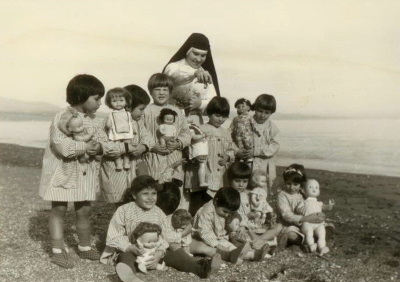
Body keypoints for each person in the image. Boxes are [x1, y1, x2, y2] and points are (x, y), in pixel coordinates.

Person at [38, 74, 105, 268]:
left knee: (84, 210)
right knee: (59, 209)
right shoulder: (63, 116)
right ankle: (58, 250)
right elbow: (61, 146)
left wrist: (99, 147)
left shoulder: (95, 120)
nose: (100, 103)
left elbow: (101, 140)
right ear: (81, 96)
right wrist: (85, 148)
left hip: (85, 173)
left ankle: (84, 246)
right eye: (96, 98)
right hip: (63, 173)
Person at [101, 175, 168, 282]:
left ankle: (196, 266)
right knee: (125, 258)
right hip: (133, 249)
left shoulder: (159, 213)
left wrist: (160, 252)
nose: (150, 198)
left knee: (174, 253)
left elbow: (166, 236)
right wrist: (129, 247)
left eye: (154, 193)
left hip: (154, 250)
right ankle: (130, 277)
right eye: (145, 194)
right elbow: (114, 235)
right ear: (134, 195)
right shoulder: (124, 210)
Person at [100, 85, 155, 204]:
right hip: (116, 172)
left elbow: (149, 139)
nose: (143, 113)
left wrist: (143, 147)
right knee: (120, 203)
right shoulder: (108, 121)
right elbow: (104, 146)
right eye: (141, 109)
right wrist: (125, 148)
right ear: (128, 106)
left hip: (135, 170)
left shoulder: (138, 122)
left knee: (136, 202)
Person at [156, 181, 222, 279]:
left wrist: (186, 233)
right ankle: (201, 267)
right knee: (179, 254)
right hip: (165, 245)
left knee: (200, 245)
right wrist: (183, 233)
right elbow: (166, 237)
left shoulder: (172, 214)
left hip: (179, 241)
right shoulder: (159, 216)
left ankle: (228, 255)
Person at [143, 73, 191, 208]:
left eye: (165, 89)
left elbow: (186, 133)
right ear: (151, 91)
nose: (162, 93)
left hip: (174, 158)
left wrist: (179, 142)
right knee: (155, 192)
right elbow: (141, 133)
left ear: (170, 92)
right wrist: (152, 146)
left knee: (174, 195)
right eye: (158, 89)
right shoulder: (145, 111)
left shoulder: (176, 111)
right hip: (153, 159)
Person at [185, 96, 235, 215]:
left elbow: (231, 149)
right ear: (209, 113)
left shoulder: (226, 133)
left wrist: (228, 157)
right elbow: (190, 147)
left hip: (218, 175)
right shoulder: (201, 129)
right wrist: (195, 156)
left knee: (214, 205)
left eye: (223, 116)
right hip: (201, 172)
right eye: (217, 115)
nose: (220, 119)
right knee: (198, 204)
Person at [163, 33, 220, 125]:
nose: (198, 59)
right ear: (187, 51)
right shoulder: (174, 66)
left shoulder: (205, 74)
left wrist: (201, 104)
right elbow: (173, 76)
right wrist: (194, 73)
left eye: (203, 55)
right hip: (170, 118)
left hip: (195, 121)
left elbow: (214, 99)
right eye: (196, 54)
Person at [227, 162, 282, 250]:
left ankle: (260, 241)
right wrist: (246, 217)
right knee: (236, 236)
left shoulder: (250, 194)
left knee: (279, 226)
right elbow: (231, 216)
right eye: (237, 181)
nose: (241, 185)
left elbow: (262, 204)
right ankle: (264, 244)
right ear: (230, 180)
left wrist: (269, 213)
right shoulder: (229, 196)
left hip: (256, 225)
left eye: (244, 181)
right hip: (242, 228)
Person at [235, 94, 280, 192]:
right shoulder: (245, 122)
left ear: (271, 113)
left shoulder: (272, 127)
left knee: (262, 191)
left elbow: (275, 145)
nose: (262, 115)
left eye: (267, 112)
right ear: (254, 108)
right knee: (245, 189)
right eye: (260, 111)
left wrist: (256, 151)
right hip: (248, 163)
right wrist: (237, 151)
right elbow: (233, 138)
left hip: (265, 165)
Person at [276, 164, 326, 250]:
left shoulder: (303, 194)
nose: (291, 187)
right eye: (288, 184)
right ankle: (304, 241)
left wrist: (318, 215)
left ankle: (313, 238)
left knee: (322, 227)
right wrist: (306, 218)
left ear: (301, 185)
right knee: (292, 234)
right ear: (285, 182)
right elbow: (286, 216)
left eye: (295, 184)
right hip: (288, 224)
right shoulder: (282, 195)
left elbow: (311, 206)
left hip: (305, 224)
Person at [295, 179, 335, 254]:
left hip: (318, 223)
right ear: (303, 191)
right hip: (307, 223)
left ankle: (322, 247)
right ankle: (311, 246)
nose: (314, 189)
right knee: (309, 233)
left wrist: (330, 206)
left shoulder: (319, 203)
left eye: (316, 188)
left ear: (319, 191)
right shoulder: (303, 202)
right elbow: (298, 210)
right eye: (310, 187)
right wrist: (303, 209)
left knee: (322, 234)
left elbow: (326, 207)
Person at [104, 87, 134, 171]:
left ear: (126, 101)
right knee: (116, 147)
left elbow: (130, 122)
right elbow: (109, 123)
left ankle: (126, 160)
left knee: (127, 147)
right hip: (116, 133)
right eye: (114, 101)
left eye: (121, 100)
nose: (118, 103)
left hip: (127, 133)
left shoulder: (128, 113)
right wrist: (108, 125)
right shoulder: (111, 114)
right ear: (110, 103)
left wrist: (133, 129)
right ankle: (118, 162)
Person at [230, 98, 259, 164]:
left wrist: (257, 130)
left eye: (243, 106)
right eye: (238, 107)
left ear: (248, 107)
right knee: (239, 146)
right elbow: (232, 126)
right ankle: (241, 158)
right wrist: (229, 131)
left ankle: (249, 157)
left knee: (248, 145)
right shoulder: (235, 118)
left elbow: (254, 124)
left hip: (247, 135)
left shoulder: (249, 117)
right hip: (238, 136)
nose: (240, 108)